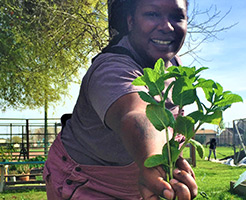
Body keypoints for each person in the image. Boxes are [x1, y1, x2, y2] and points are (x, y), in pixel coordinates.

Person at [43, 0, 197, 199]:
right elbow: (136, 114)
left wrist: (168, 168)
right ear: (131, 21)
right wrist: (153, 160)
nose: (167, 26)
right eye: (152, 14)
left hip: (137, 182)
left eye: (177, 16)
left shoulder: (174, 66)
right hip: (86, 182)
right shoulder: (111, 68)